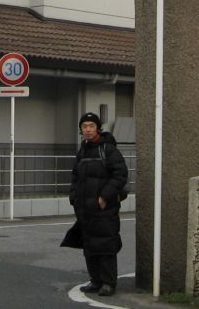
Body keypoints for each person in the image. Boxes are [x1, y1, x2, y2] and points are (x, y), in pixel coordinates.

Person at [62, 112, 128, 297]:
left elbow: (120, 174)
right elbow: (75, 175)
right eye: (84, 126)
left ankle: (108, 283)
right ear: (81, 130)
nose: (88, 129)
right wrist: (73, 196)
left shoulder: (108, 149)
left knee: (106, 244)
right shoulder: (83, 149)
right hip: (84, 208)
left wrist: (105, 196)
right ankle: (95, 280)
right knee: (89, 245)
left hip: (104, 208)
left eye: (91, 125)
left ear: (97, 128)